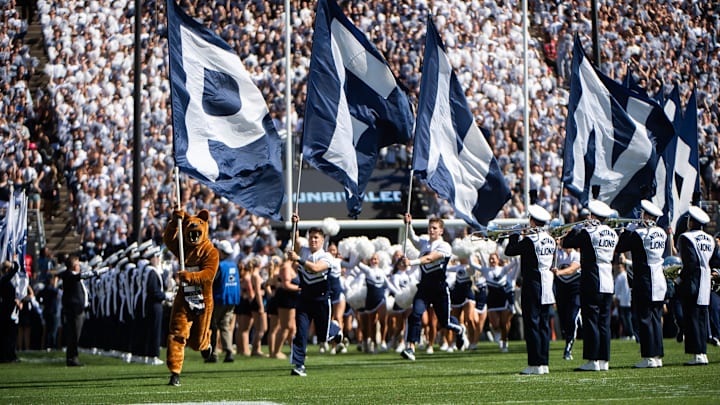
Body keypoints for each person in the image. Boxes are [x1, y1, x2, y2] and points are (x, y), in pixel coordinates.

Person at [400, 214, 468, 361]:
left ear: (441, 231)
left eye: (434, 228)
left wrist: (411, 263)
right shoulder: (425, 242)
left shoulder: (444, 246)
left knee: (445, 322)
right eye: (430, 228)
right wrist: (408, 224)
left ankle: (460, 329)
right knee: (415, 315)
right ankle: (411, 347)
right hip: (424, 288)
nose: (431, 230)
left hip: (439, 290)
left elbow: (430, 258)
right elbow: (413, 238)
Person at [561, 200, 618, 371]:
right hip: (608, 279)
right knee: (603, 322)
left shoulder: (589, 232)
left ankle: (592, 360)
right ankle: (604, 360)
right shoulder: (613, 233)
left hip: (592, 278)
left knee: (591, 319)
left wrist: (575, 229)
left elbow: (567, 242)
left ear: (593, 216)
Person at [286, 213, 343, 376]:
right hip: (304, 299)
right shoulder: (303, 250)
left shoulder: (327, 257)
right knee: (301, 333)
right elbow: (295, 241)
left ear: (322, 240)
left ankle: (334, 329)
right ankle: (299, 365)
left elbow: (316, 268)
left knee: (323, 335)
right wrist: (295, 224)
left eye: (316, 238)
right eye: (311, 237)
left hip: (321, 300)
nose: (313, 240)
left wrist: (299, 260)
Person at [504, 205, 556, 375]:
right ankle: (544, 363)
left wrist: (513, 235)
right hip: (547, 283)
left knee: (532, 324)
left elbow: (510, 251)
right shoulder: (550, 239)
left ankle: (534, 364)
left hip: (533, 284)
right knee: (543, 325)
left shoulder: (530, 240)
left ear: (532, 221)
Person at [615, 200, 667, 368]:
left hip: (645, 279)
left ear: (648, 216)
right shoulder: (662, 233)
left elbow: (620, 246)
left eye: (643, 214)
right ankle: (657, 355)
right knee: (655, 318)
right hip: (659, 279)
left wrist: (629, 229)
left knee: (644, 318)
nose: (640, 216)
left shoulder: (639, 234)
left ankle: (648, 356)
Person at [676, 206, 720, 365]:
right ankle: (703, 352)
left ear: (692, 222)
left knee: (692, 317)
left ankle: (697, 354)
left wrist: (679, 279)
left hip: (693, 280)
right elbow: (715, 261)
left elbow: (690, 263)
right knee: (702, 316)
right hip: (706, 280)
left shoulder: (686, 237)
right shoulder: (710, 239)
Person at [207, 240, 240, 363]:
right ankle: (229, 352)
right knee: (225, 325)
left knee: (213, 326)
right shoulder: (233, 265)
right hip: (232, 299)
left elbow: (213, 281)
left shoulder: (219, 266)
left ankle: (213, 354)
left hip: (220, 298)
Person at [59, 254, 89, 367]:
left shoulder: (73, 275)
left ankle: (73, 357)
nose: (79, 266)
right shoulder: (68, 275)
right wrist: (91, 274)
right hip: (74, 310)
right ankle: (72, 358)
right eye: (77, 264)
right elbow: (76, 277)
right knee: (74, 335)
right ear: (73, 265)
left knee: (76, 334)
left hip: (79, 309)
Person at [552, 244, 581, 360]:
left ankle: (568, 347)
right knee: (564, 321)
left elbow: (573, 268)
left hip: (575, 290)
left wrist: (559, 272)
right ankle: (568, 337)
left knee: (572, 318)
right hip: (561, 290)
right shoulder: (558, 254)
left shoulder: (576, 255)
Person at [0, 257, 21, 363]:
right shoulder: (4, 280)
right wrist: (15, 261)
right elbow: (16, 268)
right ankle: (7, 356)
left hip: (9, 310)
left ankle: (9, 355)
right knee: (7, 335)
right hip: (6, 311)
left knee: (10, 334)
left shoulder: (5, 281)